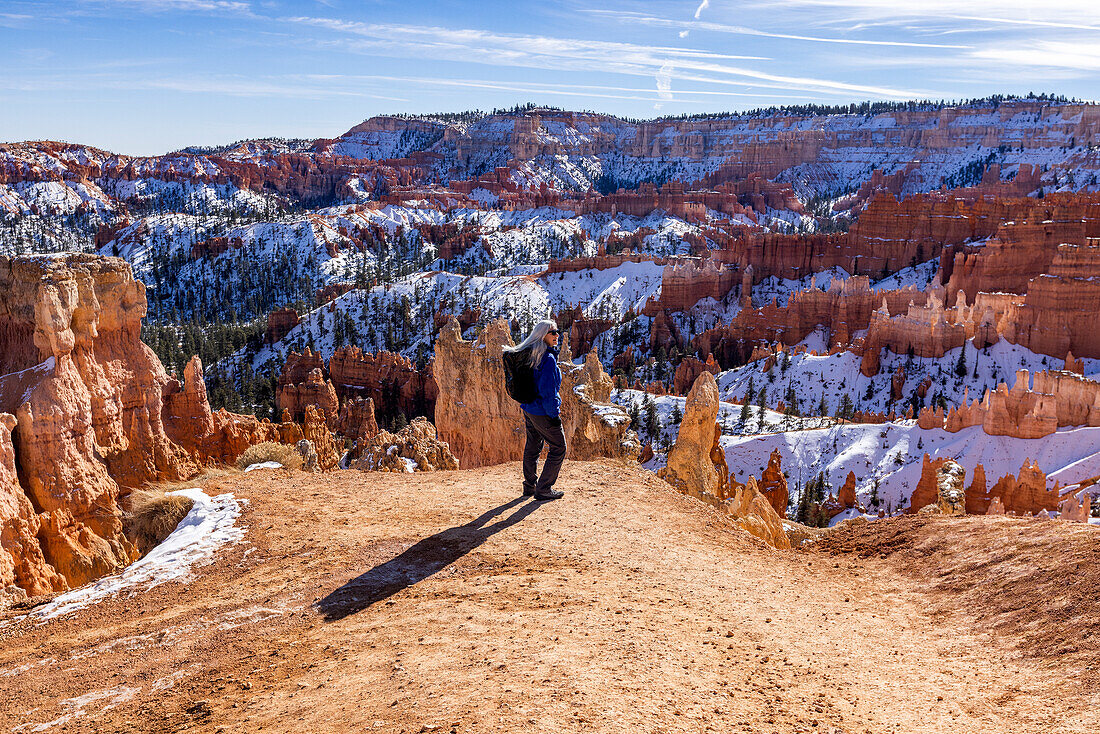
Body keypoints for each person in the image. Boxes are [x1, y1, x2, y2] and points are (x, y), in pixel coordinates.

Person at [505, 320, 566, 501]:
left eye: (557, 332)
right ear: (543, 335)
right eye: (553, 332)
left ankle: (529, 486)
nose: (557, 336)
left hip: (529, 408)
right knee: (558, 447)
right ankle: (544, 489)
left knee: (533, 445)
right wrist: (553, 416)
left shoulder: (531, 354)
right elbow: (548, 392)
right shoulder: (547, 359)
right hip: (542, 411)